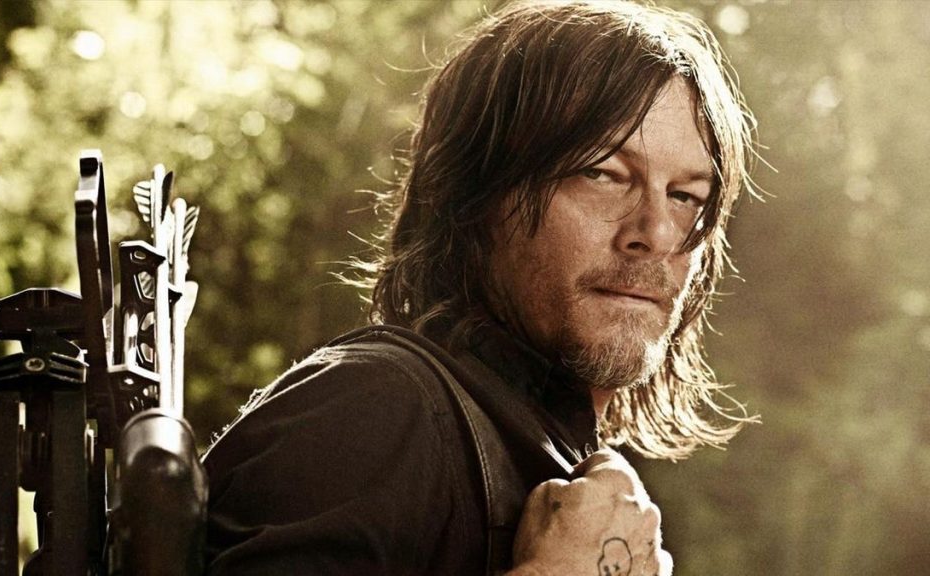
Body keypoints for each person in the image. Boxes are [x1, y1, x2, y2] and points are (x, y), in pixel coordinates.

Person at [203, 0, 758, 574]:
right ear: (477, 195)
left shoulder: (540, 457)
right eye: (602, 173)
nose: (657, 233)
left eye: (686, 196)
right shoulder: (371, 410)